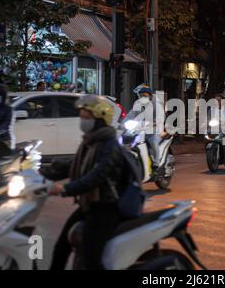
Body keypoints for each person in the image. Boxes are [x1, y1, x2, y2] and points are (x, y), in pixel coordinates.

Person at [48, 95, 126, 270]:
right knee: (62, 246)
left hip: (107, 207)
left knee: (91, 258)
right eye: (82, 117)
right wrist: (40, 174)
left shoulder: (110, 144)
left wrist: (65, 188)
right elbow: (75, 166)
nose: (82, 121)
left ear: (98, 119)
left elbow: (96, 176)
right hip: (91, 204)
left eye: (86, 118)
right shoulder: (90, 141)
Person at [126, 85, 165, 171]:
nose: (143, 97)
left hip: (155, 129)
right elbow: (130, 115)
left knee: (153, 141)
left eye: (145, 95)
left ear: (150, 96)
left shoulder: (156, 105)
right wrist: (122, 123)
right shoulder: (137, 104)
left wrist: (154, 122)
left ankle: (156, 162)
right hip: (141, 128)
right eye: (141, 95)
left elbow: (160, 117)